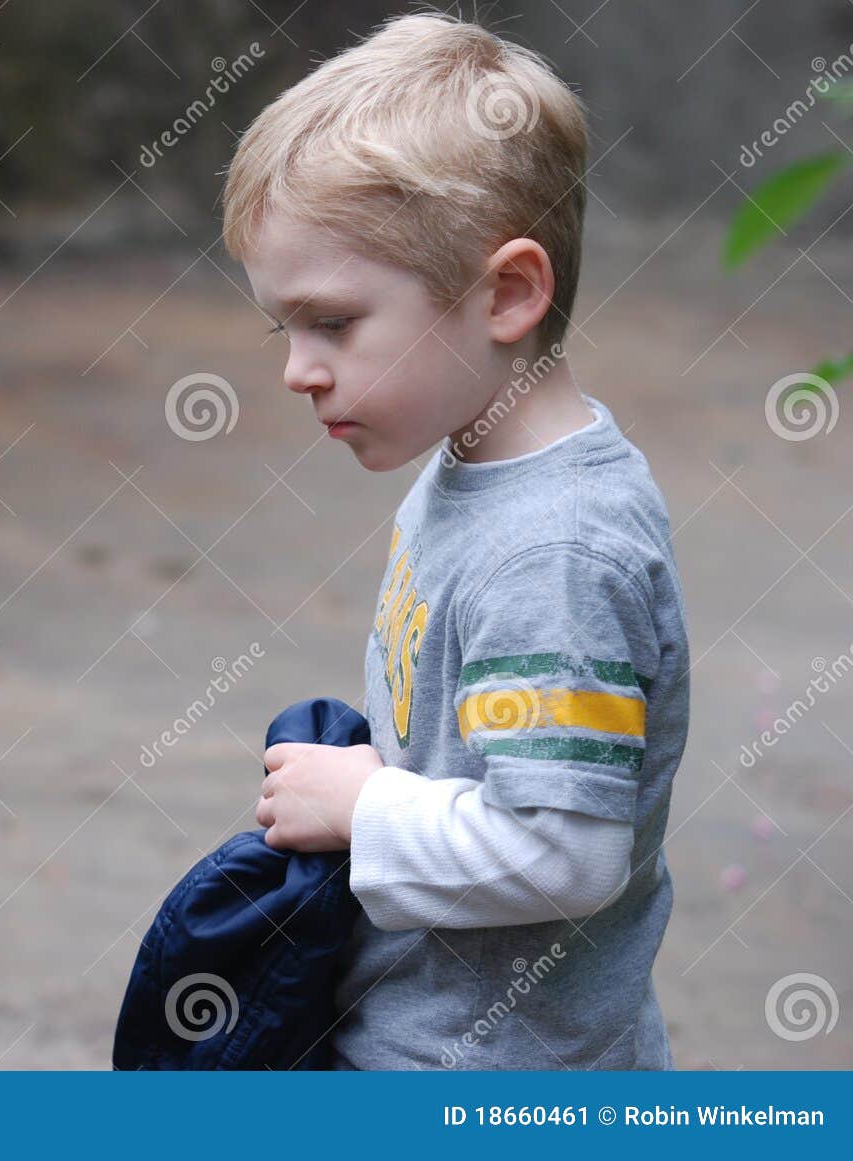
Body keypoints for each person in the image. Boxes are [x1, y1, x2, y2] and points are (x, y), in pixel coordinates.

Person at [222, 11, 690, 1069]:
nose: (298, 369)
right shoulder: (472, 462)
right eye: (282, 329)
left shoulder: (553, 552)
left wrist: (362, 807)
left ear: (508, 295)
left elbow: (565, 853)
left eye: (332, 323)